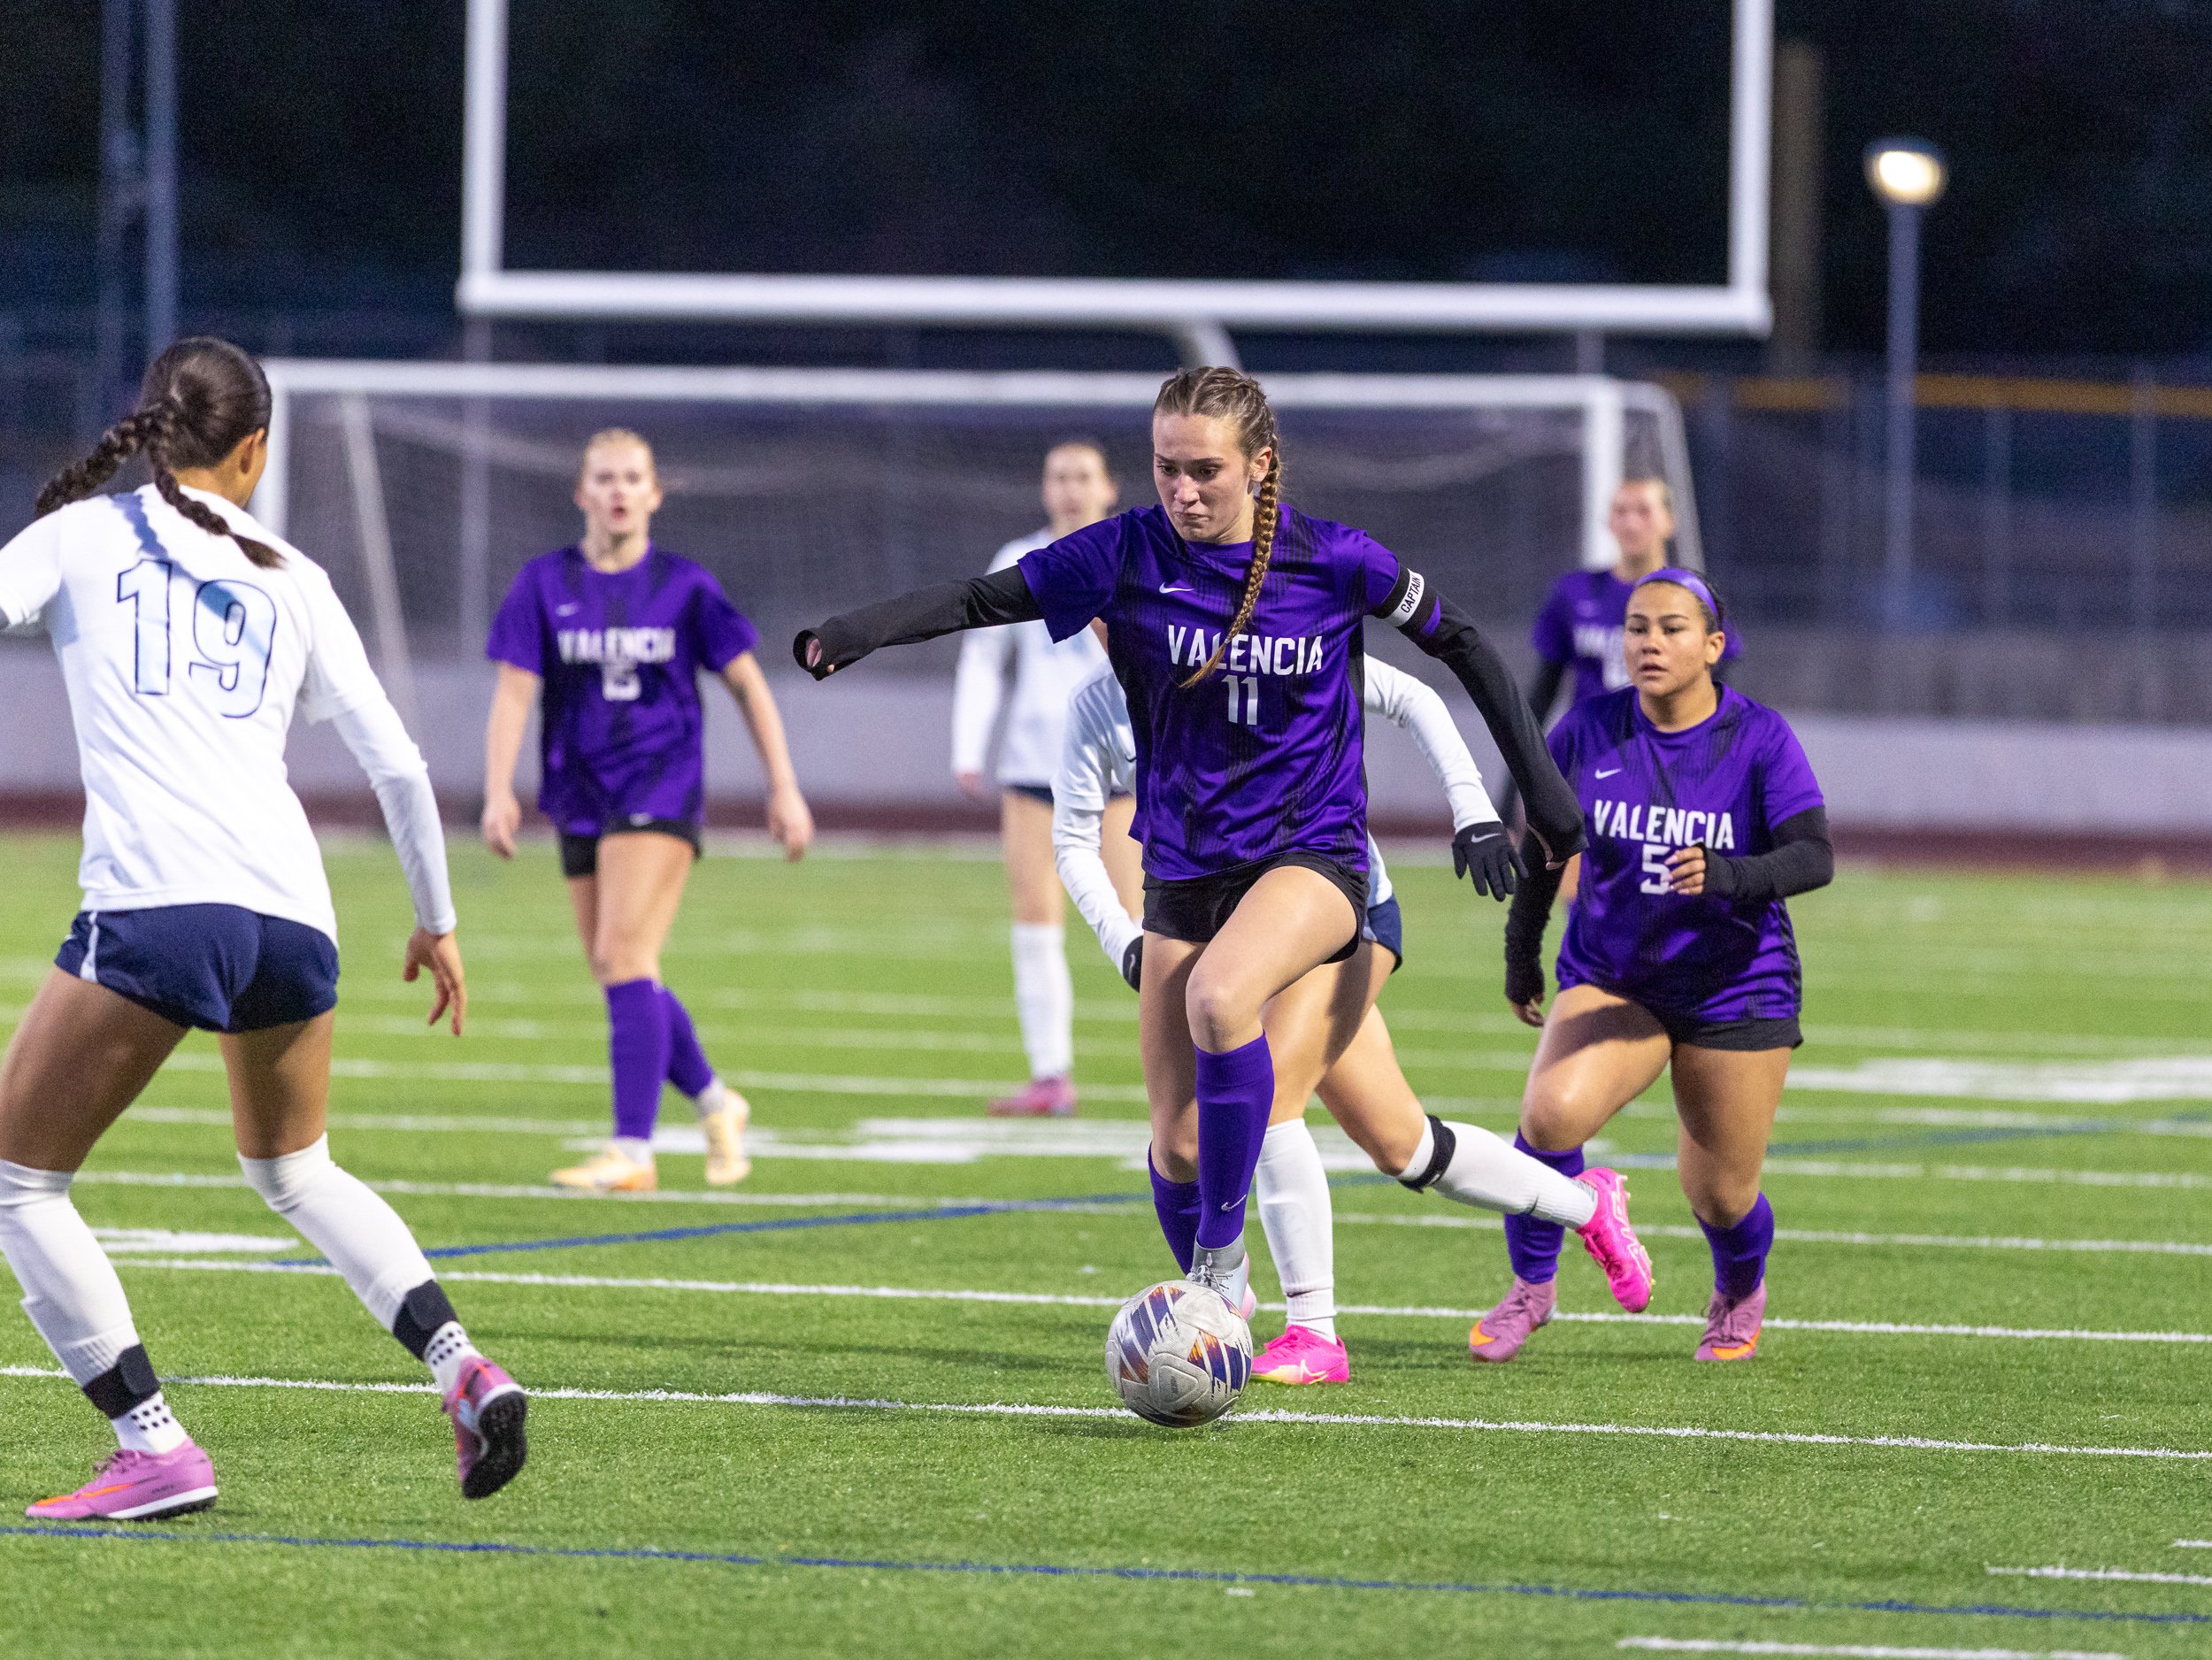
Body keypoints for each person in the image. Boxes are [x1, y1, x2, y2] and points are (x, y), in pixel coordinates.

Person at [795, 365, 1586, 1318]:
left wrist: (1534, 799)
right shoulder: (1125, 551)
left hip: (1312, 854)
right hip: (1183, 866)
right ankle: (1234, 1318)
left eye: (1205, 470)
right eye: (1166, 468)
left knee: (1222, 1000)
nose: (1183, 490)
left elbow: (1458, 643)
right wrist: (857, 630)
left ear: (1260, 465)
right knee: (1180, 1144)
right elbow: (979, 600)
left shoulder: (1332, 558)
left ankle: (1237, 1279)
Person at [0, 338, 525, 1520]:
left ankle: (152, 1444)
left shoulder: (79, 534)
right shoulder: (294, 573)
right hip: (291, 917)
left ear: (148, 430)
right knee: (296, 1170)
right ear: (255, 450)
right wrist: (436, 923)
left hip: (159, 905)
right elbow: (398, 766)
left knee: (18, 1183)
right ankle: (462, 1365)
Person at [1053, 660, 1650, 1384]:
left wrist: (1472, 808)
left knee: (1272, 1097)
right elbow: (1073, 837)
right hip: (1224, 932)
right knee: (1403, 1145)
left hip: (1340, 907)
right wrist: (1125, 940)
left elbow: (1410, 694)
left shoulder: (1264, 635)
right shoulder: (1098, 701)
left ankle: (1312, 1331)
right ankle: (1588, 1204)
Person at [1486, 568, 1832, 1364]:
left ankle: (1738, 1289)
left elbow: (1814, 856)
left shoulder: (1759, 737)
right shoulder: (1587, 729)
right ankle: (1532, 1288)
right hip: (1616, 976)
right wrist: (1520, 954)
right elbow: (1543, 854)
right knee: (1548, 1119)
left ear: (1713, 646)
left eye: (1672, 628)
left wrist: (1730, 874)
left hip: (1735, 987)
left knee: (1720, 1194)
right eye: (1637, 627)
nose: (1649, 642)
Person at [481, 429, 815, 1195]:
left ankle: (632, 1150)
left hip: (660, 786)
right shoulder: (543, 582)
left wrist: (783, 785)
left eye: (633, 478)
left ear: (655, 494)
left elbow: (748, 685)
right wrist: (498, 788)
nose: (619, 491)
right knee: (619, 969)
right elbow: (514, 693)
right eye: (604, 478)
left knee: (625, 955)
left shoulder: (685, 586)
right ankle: (716, 1100)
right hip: (578, 793)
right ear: (581, 492)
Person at [951, 441, 1141, 1117]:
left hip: (1121, 767)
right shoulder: (1018, 560)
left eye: (1083, 476)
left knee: (1144, 921)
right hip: (1034, 767)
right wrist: (968, 746)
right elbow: (982, 655)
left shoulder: (1134, 557)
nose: (1070, 488)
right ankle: (1050, 1075)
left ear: (1109, 487)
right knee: (1035, 923)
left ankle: (1203, 1058)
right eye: (1058, 476)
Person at [1517, 477, 1741, 902]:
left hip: (1670, 769)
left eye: (1644, 511)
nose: (1632, 522)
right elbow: (1539, 697)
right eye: (1621, 511)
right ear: (1608, 521)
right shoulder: (1574, 594)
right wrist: (1515, 786)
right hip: (1591, 767)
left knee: (1670, 900)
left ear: (1669, 521)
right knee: (1585, 903)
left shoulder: (1697, 600)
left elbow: (1722, 697)